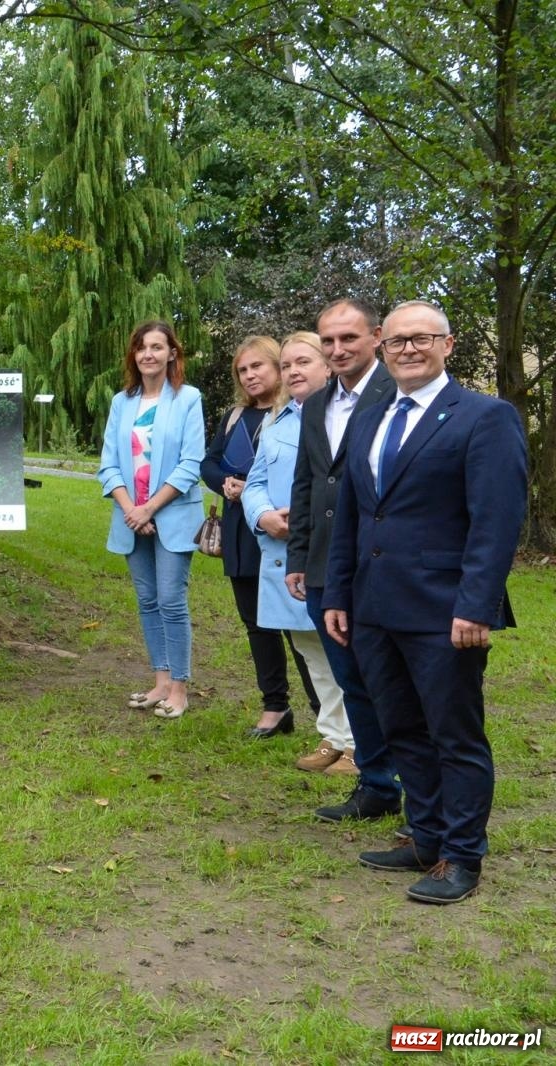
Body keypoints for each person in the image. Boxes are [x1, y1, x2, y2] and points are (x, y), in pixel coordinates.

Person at [324, 300, 527, 904]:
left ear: (448, 345)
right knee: (402, 727)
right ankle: (427, 835)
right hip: (374, 606)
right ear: (382, 348)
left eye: (422, 339)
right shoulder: (372, 415)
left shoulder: (484, 417)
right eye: (397, 341)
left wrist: (476, 605)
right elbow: (355, 515)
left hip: (446, 609)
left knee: (453, 733)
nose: (408, 350)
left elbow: (496, 522)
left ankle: (463, 856)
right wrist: (339, 591)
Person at [286, 297, 405, 823]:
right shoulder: (316, 404)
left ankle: (417, 786)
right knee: (351, 679)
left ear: (375, 336)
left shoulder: (399, 392)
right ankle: (376, 786)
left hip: (383, 566)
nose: (337, 349)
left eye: (348, 338)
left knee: (395, 682)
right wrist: (299, 557)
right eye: (328, 341)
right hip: (323, 569)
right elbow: (310, 483)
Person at [242, 332, 356, 774]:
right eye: (287, 364)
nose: (293, 372)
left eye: (303, 362)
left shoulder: (347, 415)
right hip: (282, 554)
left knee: (344, 651)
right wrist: (263, 515)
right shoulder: (278, 420)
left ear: (327, 365)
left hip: (328, 552)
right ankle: (334, 736)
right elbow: (254, 482)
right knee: (311, 652)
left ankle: (360, 745)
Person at [202, 335, 317, 738]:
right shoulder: (235, 416)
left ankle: (327, 713)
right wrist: (226, 484)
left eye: (258, 367)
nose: (250, 375)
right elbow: (210, 462)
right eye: (243, 370)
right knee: (256, 624)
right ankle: (275, 706)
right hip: (241, 530)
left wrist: (255, 490)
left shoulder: (299, 413)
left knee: (301, 624)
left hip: (284, 530)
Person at [97, 320, 205, 719]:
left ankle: (180, 688)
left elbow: (191, 463)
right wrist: (132, 510)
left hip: (171, 515)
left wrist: (150, 508)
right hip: (131, 518)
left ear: (172, 353)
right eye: (141, 347)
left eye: (157, 347)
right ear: (133, 355)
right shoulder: (121, 402)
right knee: (147, 601)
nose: (148, 354)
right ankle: (160, 682)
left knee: (171, 601)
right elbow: (108, 465)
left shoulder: (188, 399)